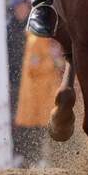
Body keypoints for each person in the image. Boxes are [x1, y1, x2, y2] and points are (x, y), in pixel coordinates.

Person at [14, 34, 65, 167]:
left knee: (47, 128)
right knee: (37, 131)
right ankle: (34, 161)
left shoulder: (47, 41)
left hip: (46, 95)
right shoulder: (36, 40)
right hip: (37, 97)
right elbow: (33, 66)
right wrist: (53, 62)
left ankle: (43, 160)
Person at [6, 0, 31, 161]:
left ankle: (31, 155)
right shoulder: (8, 29)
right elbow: (5, 56)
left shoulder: (35, 28)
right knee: (16, 119)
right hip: (16, 81)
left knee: (32, 120)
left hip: (32, 82)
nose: (22, 11)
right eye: (19, 8)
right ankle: (18, 153)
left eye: (24, 7)